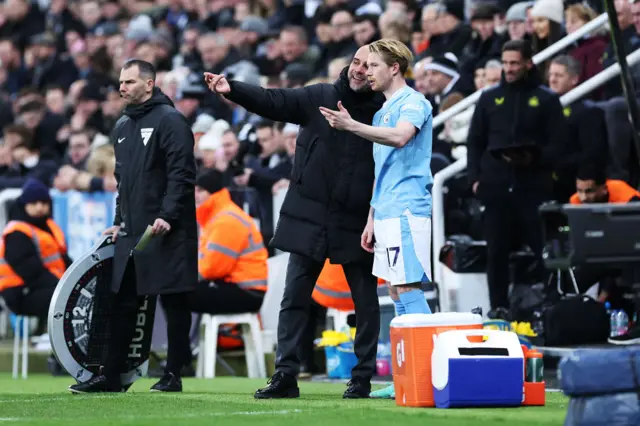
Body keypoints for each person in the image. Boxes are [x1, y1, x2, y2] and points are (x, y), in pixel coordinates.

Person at [204, 45, 384, 399]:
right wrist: (234, 89)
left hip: (357, 219)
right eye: (357, 62)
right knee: (294, 298)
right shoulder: (319, 96)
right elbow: (274, 100)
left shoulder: (385, 111)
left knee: (365, 301)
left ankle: (361, 377)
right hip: (309, 215)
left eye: (368, 65)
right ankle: (286, 374)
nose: (359, 70)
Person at [69, 59, 198, 394]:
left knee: (173, 300)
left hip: (167, 227)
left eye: (129, 82)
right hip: (132, 229)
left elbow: (182, 175)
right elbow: (122, 182)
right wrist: (117, 222)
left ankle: (173, 374)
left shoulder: (171, 121)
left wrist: (168, 216)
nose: (122, 87)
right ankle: (110, 375)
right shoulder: (123, 125)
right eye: (121, 82)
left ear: (149, 84)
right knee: (122, 300)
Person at [319, 39, 434, 400]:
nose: (365, 72)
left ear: (394, 68)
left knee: (408, 288)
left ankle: (429, 371)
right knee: (395, 290)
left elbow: (401, 139)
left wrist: (351, 126)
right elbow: (381, 169)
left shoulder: (414, 103)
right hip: (385, 210)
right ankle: (407, 375)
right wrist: (370, 216)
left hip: (406, 209)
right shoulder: (383, 112)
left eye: (373, 66)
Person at [466, 39, 566, 319]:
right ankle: (498, 308)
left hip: (534, 187)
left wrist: (534, 159)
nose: (508, 69)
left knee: (544, 251)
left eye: (514, 63)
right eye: (505, 63)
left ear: (528, 63)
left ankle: (552, 307)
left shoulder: (547, 99)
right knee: (496, 252)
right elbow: (474, 142)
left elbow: (559, 145)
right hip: (496, 188)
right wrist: (475, 179)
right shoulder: (488, 98)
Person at [192, 168, 268, 314]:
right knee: (177, 290)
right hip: (239, 287)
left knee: (176, 292)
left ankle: (178, 337)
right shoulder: (218, 216)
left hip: (246, 292)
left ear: (213, 192)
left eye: (201, 190)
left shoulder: (226, 219)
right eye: (194, 190)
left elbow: (212, 269)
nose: (195, 195)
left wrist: (187, 275)